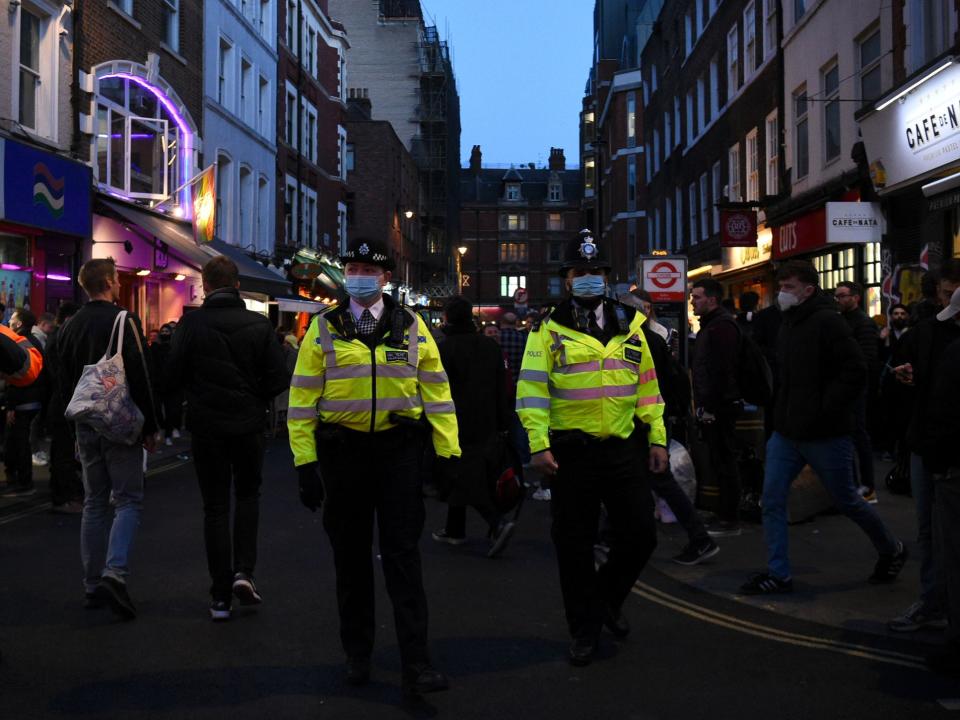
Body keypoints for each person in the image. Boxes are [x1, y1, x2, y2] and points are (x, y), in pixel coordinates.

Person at [287, 237, 459, 696]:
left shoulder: (413, 326)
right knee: (351, 560)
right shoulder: (324, 327)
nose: (358, 274)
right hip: (343, 457)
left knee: (404, 558)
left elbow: (437, 394)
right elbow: (302, 401)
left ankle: (416, 663)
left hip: (399, 454)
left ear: (385, 278)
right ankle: (357, 655)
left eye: (368, 268)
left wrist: (448, 454)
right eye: (352, 266)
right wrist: (306, 464)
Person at [516, 230, 669, 667]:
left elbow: (648, 387)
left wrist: (656, 436)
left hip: (623, 449)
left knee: (641, 535)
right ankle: (583, 630)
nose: (589, 278)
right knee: (574, 546)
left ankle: (604, 602)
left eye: (596, 272)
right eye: (580, 272)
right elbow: (531, 391)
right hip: (571, 454)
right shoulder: (548, 327)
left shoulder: (631, 324)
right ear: (567, 279)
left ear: (606, 277)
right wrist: (538, 445)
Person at [741, 260, 906, 595]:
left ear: (808, 290)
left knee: (846, 499)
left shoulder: (829, 322)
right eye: (781, 287)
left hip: (825, 433)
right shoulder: (788, 322)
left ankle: (891, 548)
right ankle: (779, 573)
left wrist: (822, 409)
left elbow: (855, 370)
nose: (781, 293)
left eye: (788, 288)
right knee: (771, 500)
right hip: (787, 433)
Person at [165, 256, 290, 621]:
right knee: (248, 496)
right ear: (238, 285)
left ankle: (220, 596)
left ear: (205, 286)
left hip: (207, 427)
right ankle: (243, 573)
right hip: (249, 426)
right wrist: (255, 400)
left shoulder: (190, 325)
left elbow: (171, 376)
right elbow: (278, 377)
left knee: (215, 507)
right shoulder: (258, 324)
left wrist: (193, 396)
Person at [56, 258, 158, 619]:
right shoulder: (122, 320)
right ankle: (115, 574)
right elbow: (141, 373)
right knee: (128, 500)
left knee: (94, 502)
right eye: (116, 279)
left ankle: (90, 583)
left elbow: (63, 382)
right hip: (117, 423)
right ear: (111, 282)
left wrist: (70, 432)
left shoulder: (69, 326)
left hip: (84, 425)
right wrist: (152, 425)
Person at [888, 265, 960, 632]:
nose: (953, 303)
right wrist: (900, 375)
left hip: (947, 447)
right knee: (929, 530)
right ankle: (934, 600)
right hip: (926, 442)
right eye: (948, 295)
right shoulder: (926, 333)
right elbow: (895, 374)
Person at [622, 290, 717, 565]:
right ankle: (611, 536)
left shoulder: (642, 341)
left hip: (644, 422)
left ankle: (700, 539)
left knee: (656, 480)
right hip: (648, 420)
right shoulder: (649, 339)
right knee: (638, 480)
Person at [432, 296, 515, 557]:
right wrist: (504, 422)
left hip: (455, 421)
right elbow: (501, 387)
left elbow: (437, 391)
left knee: (463, 475)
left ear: (447, 317)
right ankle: (455, 530)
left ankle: (496, 522)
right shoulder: (490, 346)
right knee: (478, 472)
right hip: (488, 420)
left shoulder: (445, 349)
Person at [690, 279, 743, 537]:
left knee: (725, 460)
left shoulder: (721, 327)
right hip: (714, 404)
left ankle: (729, 518)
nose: (692, 301)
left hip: (720, 406)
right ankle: (723, 512)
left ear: (712, 300)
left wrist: (710, 405)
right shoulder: (711, 326)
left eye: (697, 297)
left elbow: (722, 370)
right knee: (719, 459)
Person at [924, 323, 960, 674]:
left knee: (955, 557)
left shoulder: (954, 353)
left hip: (953, 468)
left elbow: (944, 413)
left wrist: (939, 463)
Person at [834, 281, 880, 502]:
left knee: (858, 435)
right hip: (846, 386)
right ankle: (853, 483)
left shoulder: (863, 323)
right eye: (838, 296)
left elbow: (867, 358)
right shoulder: (842, 321)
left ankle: (867, 486)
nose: (840, 300)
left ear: (855, 297)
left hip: (856, 388)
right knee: (849, 435)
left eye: (843, 296)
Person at [44, 302, 84, 513]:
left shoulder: (57, 337)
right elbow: (60, 375)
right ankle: (63, 498)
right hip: (61, 404)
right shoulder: (60, 339)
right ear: (69, 318)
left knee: (65, 452)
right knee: (63, 453)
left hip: (60, 403)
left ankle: (68, 494)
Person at [1, 309, 45, 498]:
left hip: (22, 403)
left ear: (19, 324)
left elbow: (16, 380)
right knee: (18, 442)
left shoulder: (19, 345)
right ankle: (19, 481)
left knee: (19, 443)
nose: (9, 322)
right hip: (28, 401)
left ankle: (23, 483)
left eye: (12, 319)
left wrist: (11, 406)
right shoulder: (28, 343)